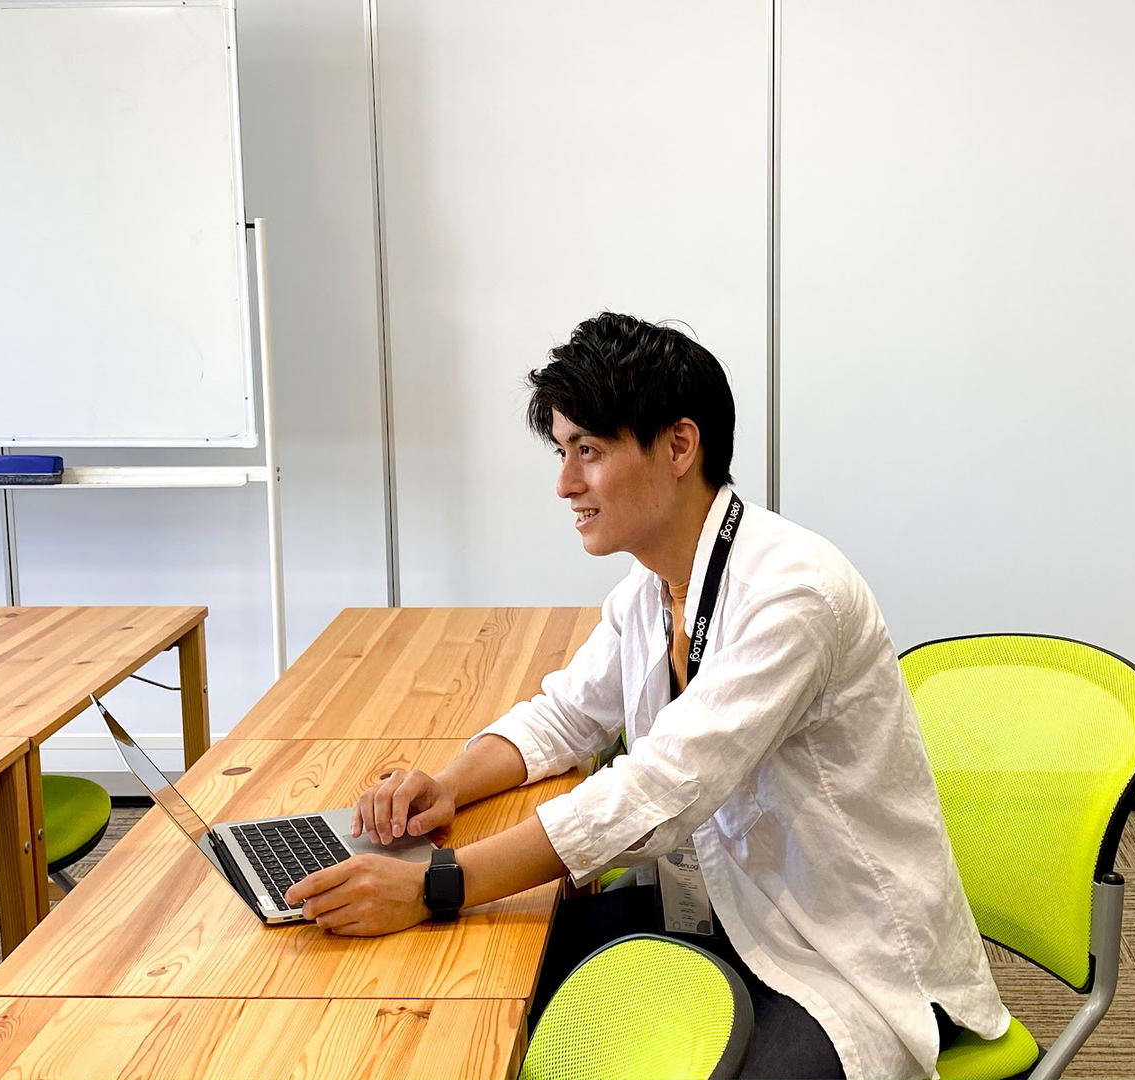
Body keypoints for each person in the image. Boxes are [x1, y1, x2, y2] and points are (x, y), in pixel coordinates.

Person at [286, 312, 1009, 1079]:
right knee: (487, 978)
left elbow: (656, 790)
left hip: (846, 957)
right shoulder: (655, 586)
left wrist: (439, 882)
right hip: (725, 907)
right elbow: (566, 715)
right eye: (563, 452)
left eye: (589, 451)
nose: (565, 484)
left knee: (496, 960)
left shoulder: (793, 593)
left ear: (679, 446)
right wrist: (448, 784)